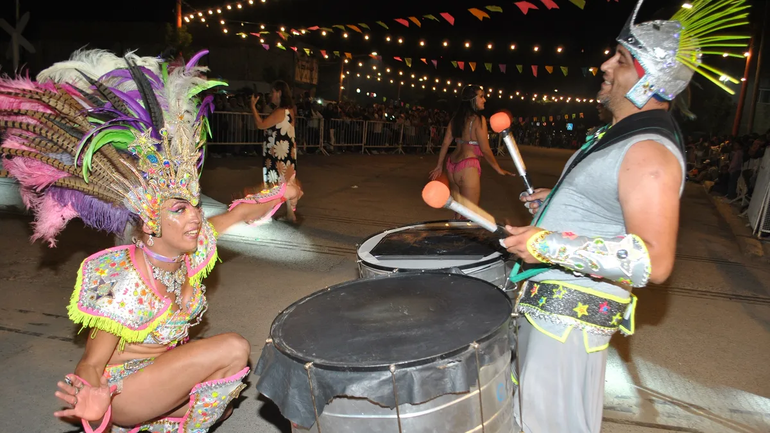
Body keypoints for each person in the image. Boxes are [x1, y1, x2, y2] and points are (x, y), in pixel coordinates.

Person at [0, 49, 302, 433]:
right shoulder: (127, 277)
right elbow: (93, 361)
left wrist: (284, 191)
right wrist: (92, 397)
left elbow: (241, 213)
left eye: (193, 206)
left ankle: (164, 420)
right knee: (232, 347)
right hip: (121, 392)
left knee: (224, 398)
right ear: (149, 224)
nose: (195, 216)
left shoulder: (190, 253)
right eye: (179, 210)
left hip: (158, 378)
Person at [500, 1, 749, 432]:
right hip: (553, 313)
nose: (605, 64)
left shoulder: (648, 150)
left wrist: (544, 243)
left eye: (619, 58)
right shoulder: (624, 137)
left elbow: (653, 261)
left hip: (569, 321)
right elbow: (608, 207)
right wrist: (554, 203)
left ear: (648, 78)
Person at [429, 85, 511, 213]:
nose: (484, 100)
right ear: (473, 99)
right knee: (470, 213)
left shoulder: (456, 119)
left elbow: (445, 144)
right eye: (481, 96)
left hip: (451, 165)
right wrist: (498, 169)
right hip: (467, 167)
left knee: (458, 212)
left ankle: (454, 233)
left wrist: (439, 165)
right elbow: (485, 149)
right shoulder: (479, 120)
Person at [250, 80, 299, 222]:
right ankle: (290, 213)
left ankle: (266, 214)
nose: (271, 95)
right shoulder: (290, 111)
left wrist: (253, 107)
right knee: (287, 182)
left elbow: (261, 125)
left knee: (273, 183)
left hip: (277, 154)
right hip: (287, 152)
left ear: (279, 93)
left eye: (272, 92)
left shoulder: (280, 111)